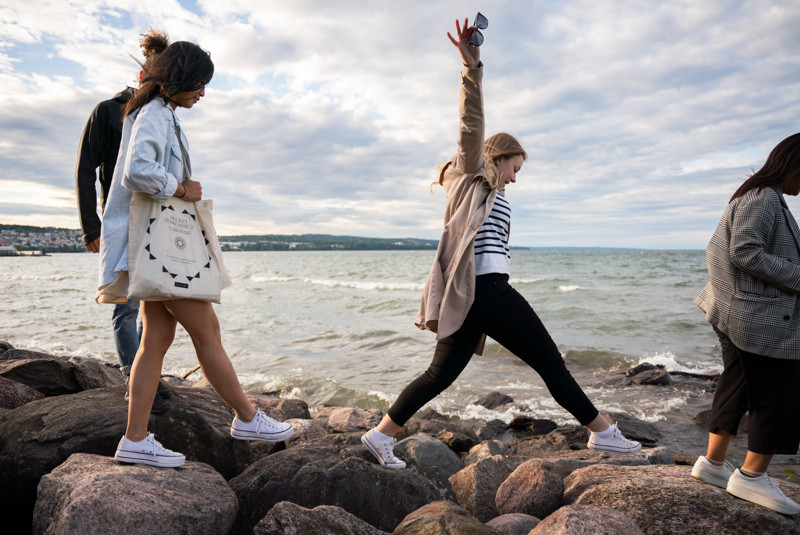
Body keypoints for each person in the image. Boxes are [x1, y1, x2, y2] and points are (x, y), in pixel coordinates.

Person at [361, 17, 641, 470]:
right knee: (551, 362)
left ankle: (379, 436)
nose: (515, 178)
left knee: (439, 375)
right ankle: (605, 434)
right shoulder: (469, 176)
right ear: (497, 157)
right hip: (487, 290)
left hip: (475, 296)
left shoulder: (492, 194)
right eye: (514, 167)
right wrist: (472, 70)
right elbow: (470, 123)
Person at [96, 40, 294, 468]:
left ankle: (135, 438)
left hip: (148, 247)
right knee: (207, 332)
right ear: (181, 79)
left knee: (155, 341)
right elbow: (137, 170)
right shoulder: (155, 114)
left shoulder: (155, 112)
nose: (203, 93)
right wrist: (182, 188)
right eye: (201, 83)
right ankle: (248, 417)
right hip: (158, 249)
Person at [692, 133, 800, 515]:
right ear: (794, 164)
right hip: (758, 317)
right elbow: (744, 251)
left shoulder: (757, 195)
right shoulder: (764, 197)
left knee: (736, 383)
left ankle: (713, 464)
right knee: (781, 390)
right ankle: (753, 477)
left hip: (736, 311)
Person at [75, 29, 171, 411]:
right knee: (126, 303)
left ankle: (149, 374)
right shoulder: (108, 110)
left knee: (156, 300)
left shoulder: (163, 113)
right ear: (142, 68)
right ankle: (134, 375)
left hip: (159, 220)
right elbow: (84, 169)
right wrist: (90, 226)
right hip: (121, 220)